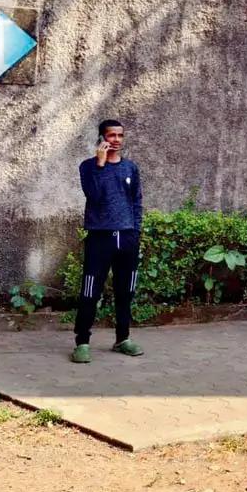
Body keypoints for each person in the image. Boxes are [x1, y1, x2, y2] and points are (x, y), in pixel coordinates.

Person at [71, 119, 145, 363]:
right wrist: (101, 165)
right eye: (111, 135)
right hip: (99, 238)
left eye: (120, 136)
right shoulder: (88, 167)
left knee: (126, 292)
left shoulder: (131, 168)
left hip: (126, 238)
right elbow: (94, 196)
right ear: (101, 138)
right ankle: (82, 342)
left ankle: (122, 339)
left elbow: (136, 202)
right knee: (90, 291)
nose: (116, 140)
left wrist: (135, 231)